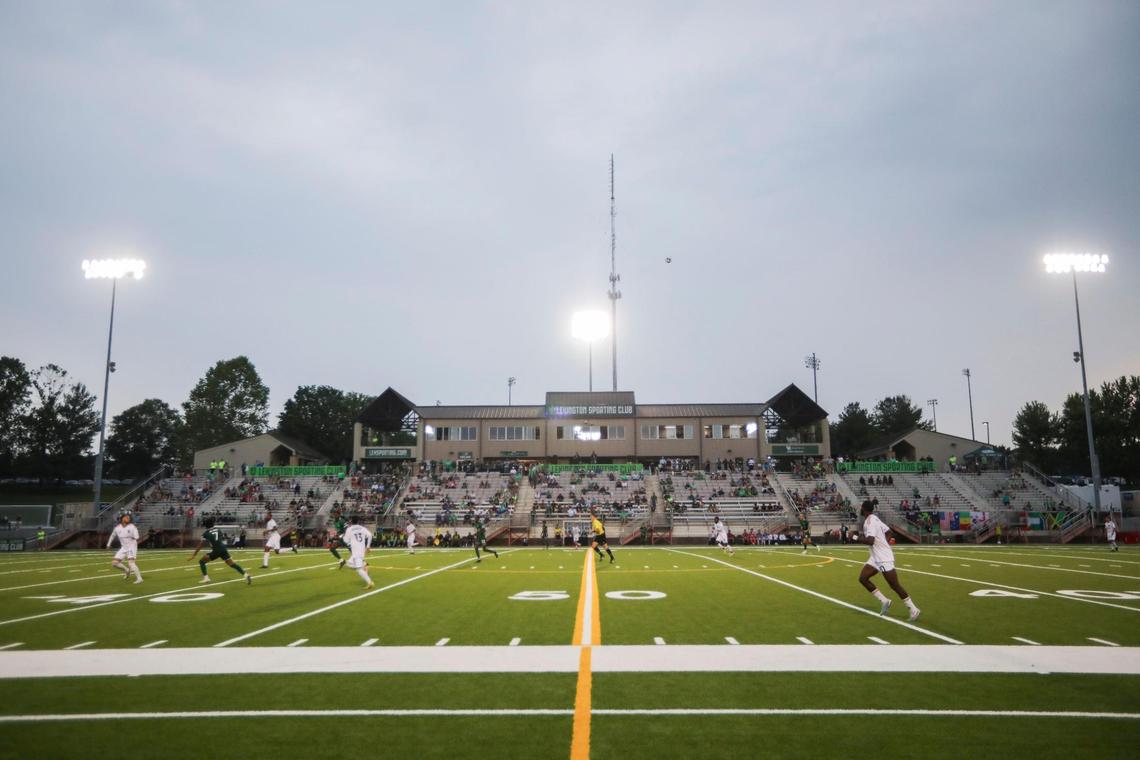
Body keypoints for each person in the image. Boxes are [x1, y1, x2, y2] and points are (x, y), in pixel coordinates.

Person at [852, 501, 919, 621]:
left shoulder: (871, 521)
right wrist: (883, 544)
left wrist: (854, 537)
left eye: (861, 508)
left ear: (864, 509)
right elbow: (889, 532)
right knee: (863, 578)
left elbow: (870, 541)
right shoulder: (874, 519)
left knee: (894, 585)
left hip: (883, 558)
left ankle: (913, 609)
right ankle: (885, 601)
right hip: (876, 557)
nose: (860, 510)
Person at [188, 517, 251, 585]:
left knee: (201, 561)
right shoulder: (218, 530)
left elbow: (200, 545)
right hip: (223, 549)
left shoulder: (205, 534)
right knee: (232, 564)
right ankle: (245, 574)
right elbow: (220, 538)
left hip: (216, 550)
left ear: (206, 525)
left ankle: (206, 578)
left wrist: (194, 554)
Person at [107, 514, 143, 584]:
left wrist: (135, 536)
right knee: (114, 563)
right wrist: (108, 544)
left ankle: (139, 578)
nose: (128, 519)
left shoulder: (132, 526)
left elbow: (137, 536)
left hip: (132, 546)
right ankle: (126, 570)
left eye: (129, 518)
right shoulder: (117, 528)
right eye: (126, 517)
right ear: (122, 519)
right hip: (124, 547)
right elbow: (112, 536)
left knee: (131, 563)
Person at [342, 515, 374, 589]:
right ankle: (364, 565)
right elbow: (369, 535)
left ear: (351, 521)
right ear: (358, 521)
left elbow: (346, 540)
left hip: (356, 551)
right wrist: (368, 546)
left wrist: (343, 536)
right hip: (361, 550)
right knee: (349, 563)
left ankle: (370, 582)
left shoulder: (349, 529)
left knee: (359, 569)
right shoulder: (362, 528)